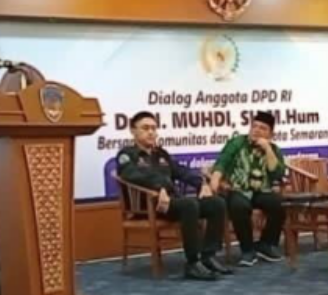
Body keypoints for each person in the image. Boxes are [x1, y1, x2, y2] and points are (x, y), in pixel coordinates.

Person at [116, 112, 231, 281]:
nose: (151, 132)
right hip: (149, 206)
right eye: (145, 128)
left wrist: (201, 183)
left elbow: (182, 172)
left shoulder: (161, 154)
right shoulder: (126, 155)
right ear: (133, 131)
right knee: (189, 205)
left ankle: (208, 256)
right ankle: (193, 263)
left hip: (171, 202)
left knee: (216, 203)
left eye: (153, 128)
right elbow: (132, 176)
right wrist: (160, 186)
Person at [209, 111, 286, 266]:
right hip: (237, 190)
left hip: (261, 191)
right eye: (254, 126)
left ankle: (266, 244)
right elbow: (222, 162)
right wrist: (215, 180)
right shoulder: (237, 143)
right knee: (239, 206)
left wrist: (268, 149)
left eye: (263, 128)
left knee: (279, 204)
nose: (257, 130)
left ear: (271, 134)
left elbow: (277, 174)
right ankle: (247, 250)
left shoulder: (274, 149)